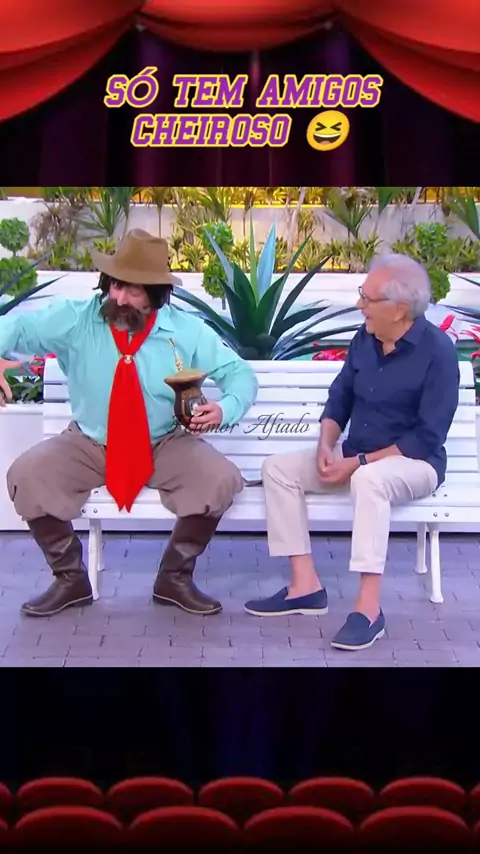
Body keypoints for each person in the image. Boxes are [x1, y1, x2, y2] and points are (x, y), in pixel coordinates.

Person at [0, 228, 258, 618]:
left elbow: (239, 374)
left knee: (218, 479)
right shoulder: (77, 319)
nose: (120, 299)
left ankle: (174, 578)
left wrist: (226, 408)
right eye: (116, 285)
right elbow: (18, 329)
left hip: (162, 441)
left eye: (134, 291)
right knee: (26, 475)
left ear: (157, 294)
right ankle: (70, 580)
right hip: (89, 442)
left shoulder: (184, 331)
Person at [245, 253, 460, 651]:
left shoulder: (439, 353)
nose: (360, 304)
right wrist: (326, 445)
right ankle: (305, 586)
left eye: (367, 297)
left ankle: (368, 610)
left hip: (415, 464)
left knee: (369, 478)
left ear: (399, 309)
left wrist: (357, 463)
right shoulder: (366, 338)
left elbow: (427, 436)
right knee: (278, 468)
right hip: (355, 456)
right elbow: (340, 397)